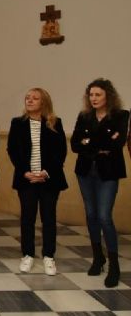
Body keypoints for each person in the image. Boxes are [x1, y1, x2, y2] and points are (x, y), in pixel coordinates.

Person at [71, 78, 129, 288]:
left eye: (98, 95)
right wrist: (99, 145)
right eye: (91, 95)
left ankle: (114, 265)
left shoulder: (121, 116)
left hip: (108, 173)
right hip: (85, 172)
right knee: (91, 215)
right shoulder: (84, 116)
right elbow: (75, 144)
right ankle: (98, 258)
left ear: (108, 96)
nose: (93, 98)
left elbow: (117, 143)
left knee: (105, 217)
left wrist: (89, 142)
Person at [7, 88, 68, 276]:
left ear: (43, 102)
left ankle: (49, 256)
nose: (30, 101)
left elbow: (61, 152)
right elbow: (13, 150)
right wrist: (25, 172)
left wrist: (46, 172)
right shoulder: (17, 123)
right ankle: (28, 255)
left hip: (48, 179)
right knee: (27, 217)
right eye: (27, 98)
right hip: (26, 179)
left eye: (35, 98)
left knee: (48, 217)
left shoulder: (55, 123)